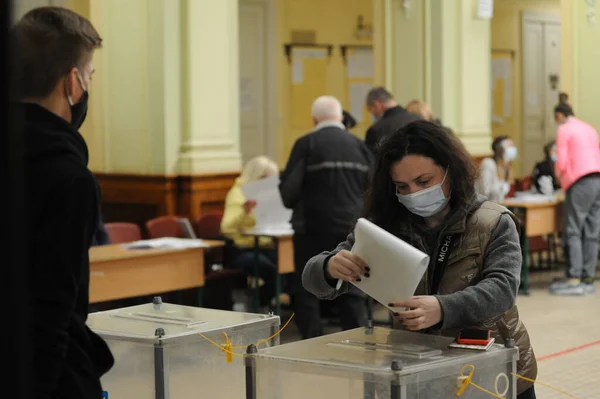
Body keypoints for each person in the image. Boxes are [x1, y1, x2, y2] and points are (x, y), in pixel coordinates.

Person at [302, 120, 537, 398]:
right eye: (402, 187)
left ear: (451, 170)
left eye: (423, 182)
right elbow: (311, 277)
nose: (414, 193)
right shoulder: (387, 228)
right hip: (420, 369)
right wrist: (330, 268)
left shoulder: (492, 221)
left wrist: (443, 308)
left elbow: (503, 288)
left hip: (493, 368)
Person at [11, 7, 113, 398]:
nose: (88, 86)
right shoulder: (68, 177)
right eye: (89, 76)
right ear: (72, 83)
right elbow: (50, 311)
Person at [280, 95, 372, 339]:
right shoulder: (360, 146)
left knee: (308, 287)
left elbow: (288, 191)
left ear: (314, 119)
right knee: (352, 287)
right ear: (341, 117)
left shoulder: (306, 144)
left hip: (311, 229)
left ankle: (313, 343)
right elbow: (373, 189)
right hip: (351, 229)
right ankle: (358, 344)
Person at [220, 155, 286, 307]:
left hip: (266, 245)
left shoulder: (267, 195)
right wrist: (245, 211)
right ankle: (258, 301)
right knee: (273, 269)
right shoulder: (237, 194)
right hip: (242, 249)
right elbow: (226, 227)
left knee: (292, 263)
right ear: (256, 176)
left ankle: (268, 300)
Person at [549, 104, 600, 295]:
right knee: (592, 231)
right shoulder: (589, 128)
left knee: (573, 230)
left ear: (559, 115)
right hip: (597, 179)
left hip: (579, 181)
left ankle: (574, 278)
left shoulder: (564, 129)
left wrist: (560, 179)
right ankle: (588, 278)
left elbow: (561, 161)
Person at [364, 87, 421, 154]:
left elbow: (372, 161)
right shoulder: (419, 119)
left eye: (370, 110)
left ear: (377, 104)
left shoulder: (376, 129)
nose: (372, 114)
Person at [476, 136, 518, 202]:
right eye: (510, 145)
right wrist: (501, 188)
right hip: (486, 207)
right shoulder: (488, 163)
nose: (513, 148)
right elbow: (484, 191)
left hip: (499, 206)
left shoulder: (506, 167)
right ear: (500, 149)